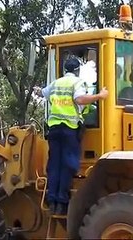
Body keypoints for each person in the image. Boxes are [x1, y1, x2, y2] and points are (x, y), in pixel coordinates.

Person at [34, 57, 108, 215]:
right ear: (77, 70)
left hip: (54, 129)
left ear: (65, 69)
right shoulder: (77, 83)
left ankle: (52, 199)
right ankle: (61, 201)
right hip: (69, 129)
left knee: (54, 165)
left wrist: (37, 90)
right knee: (69, 165)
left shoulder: (56, 83)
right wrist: (99, 96)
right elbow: (80, 99)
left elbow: (43, 93)